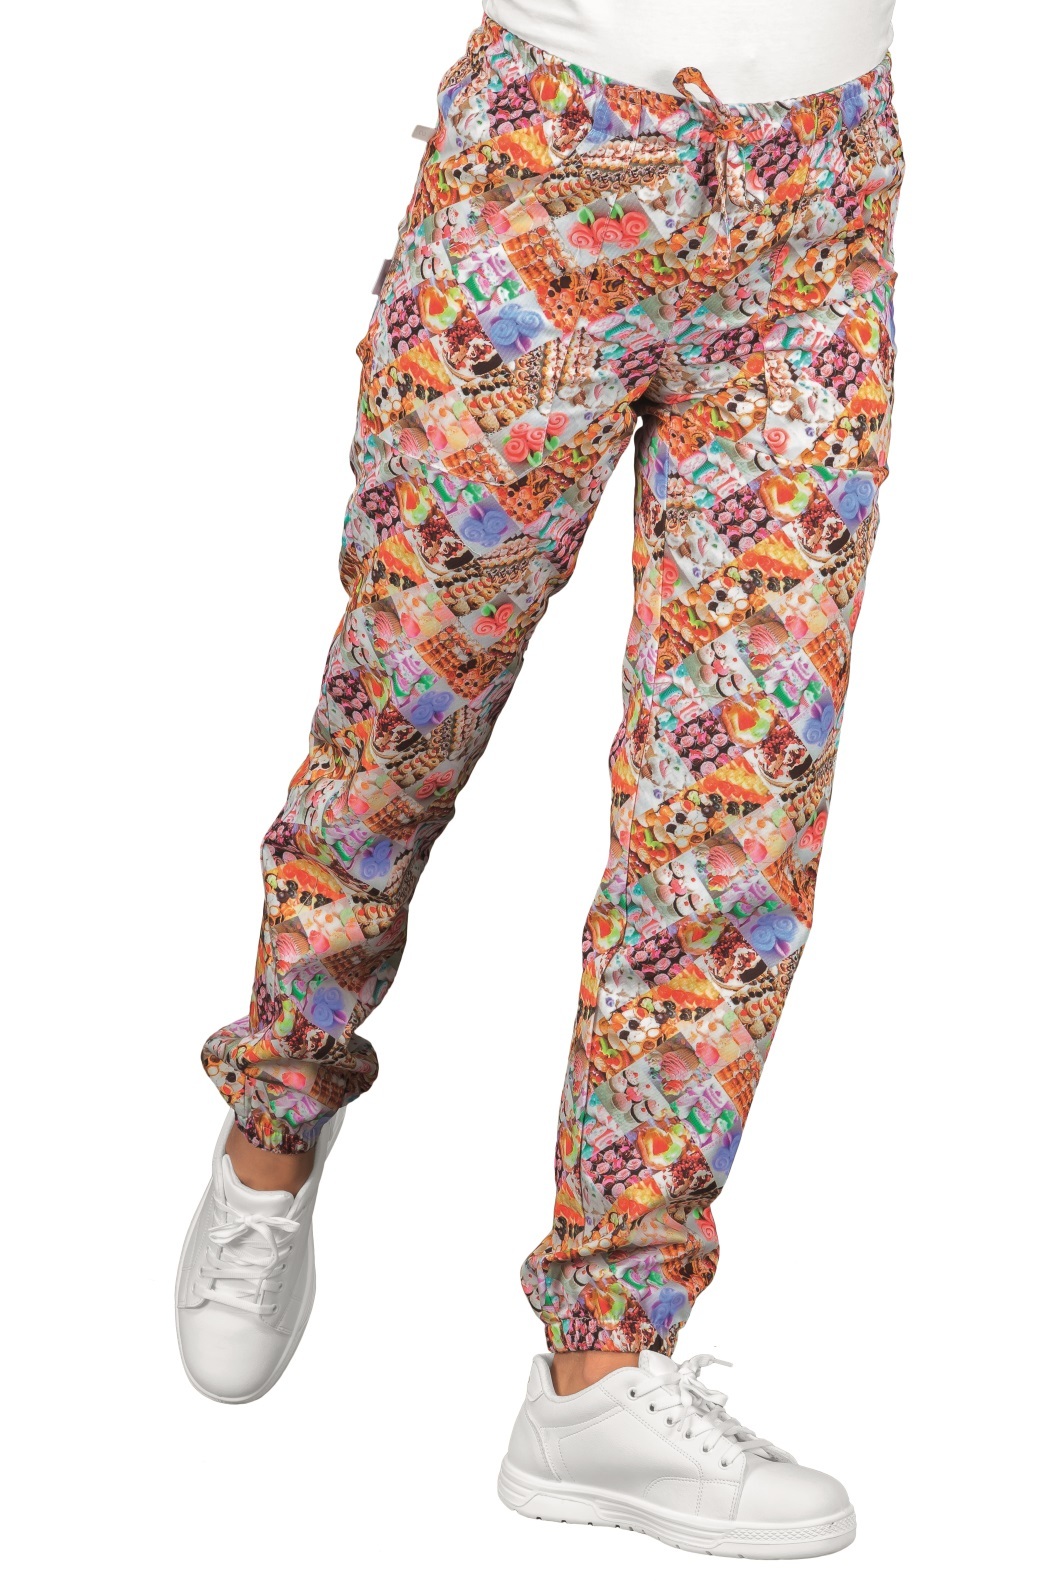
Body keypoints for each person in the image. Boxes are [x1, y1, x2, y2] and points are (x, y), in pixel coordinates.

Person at [175, 0, 902, 1559]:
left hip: (817, 207)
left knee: (741, 810)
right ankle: (276, 1114)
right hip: (558, 166)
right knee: (402, 720)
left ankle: (602, 1367)